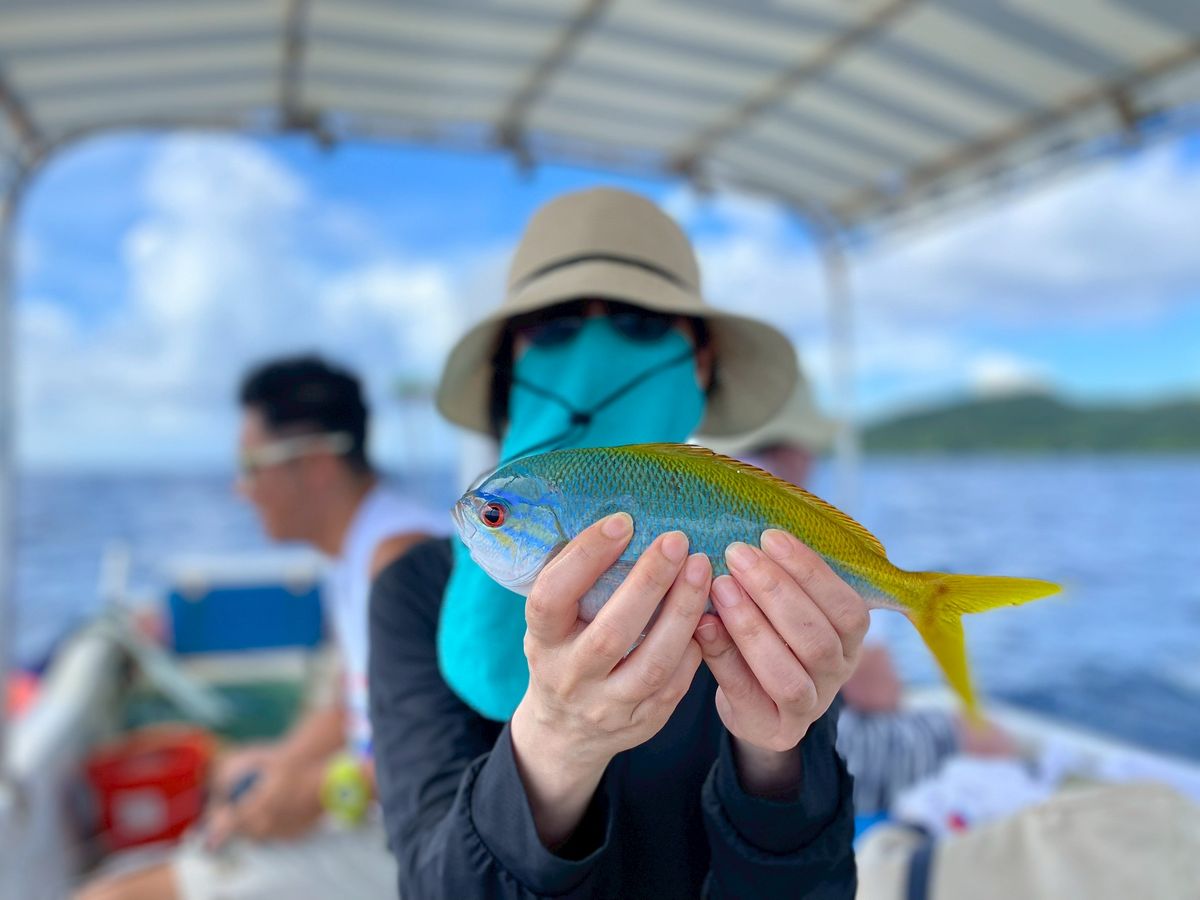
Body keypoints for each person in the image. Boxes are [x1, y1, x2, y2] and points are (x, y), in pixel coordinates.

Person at [368, 187, 865, 898]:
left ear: (701, 362)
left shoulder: (756, 563)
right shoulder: (411, 593)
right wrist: (555, 745)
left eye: (640, 321)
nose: (595, 350)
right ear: (509, 367)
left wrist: (776, 759)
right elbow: (430, 884)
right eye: (555, 325)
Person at [79, 356, 442, 900]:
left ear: (316, 463)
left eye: (251, 464)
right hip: (382, 812)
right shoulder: (358, 551)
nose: (240, 488)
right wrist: (279, 767)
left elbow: (448, 749)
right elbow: (350, 706)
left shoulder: (397, 561)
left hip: (413, 840)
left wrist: (318, 792)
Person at [700, 372, 1015, 817]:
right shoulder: (796, 514)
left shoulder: (687, 483)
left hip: (688, 764)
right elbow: (877, 694)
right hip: (798, 758)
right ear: (797, 447)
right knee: (988, 737)